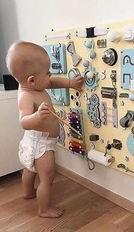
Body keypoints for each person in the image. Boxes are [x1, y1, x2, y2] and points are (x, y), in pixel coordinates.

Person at [6, 41, 83, 218]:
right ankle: (44, 209)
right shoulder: (26, 96)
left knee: (29, 169)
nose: (50, 76)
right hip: (41, 144)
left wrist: (69, 83)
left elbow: (51, 82)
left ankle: (28, 192)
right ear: (32, 80)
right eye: (47, 73)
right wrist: (37, 116)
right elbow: (24, 122)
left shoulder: (31, 84)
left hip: (32, 141)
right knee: (47, 177)